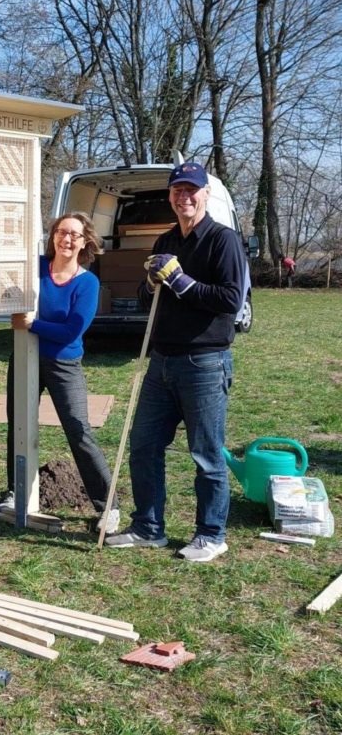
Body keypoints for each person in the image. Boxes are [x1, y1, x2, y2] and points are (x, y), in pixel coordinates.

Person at [106, 161, 245, 562]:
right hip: (162, 360)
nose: (184, 197)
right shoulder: (166, 240)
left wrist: (182, 283)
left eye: (191, 190)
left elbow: (230, 300)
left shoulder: (224, 240)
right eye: (177, 190)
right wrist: (151, 283)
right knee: (144, 445)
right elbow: (150, 298)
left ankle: (211, 534)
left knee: (206, 452)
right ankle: (149, 528)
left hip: (204, 361)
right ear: (170, 196)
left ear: (205, 194)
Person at [0, 212, 120, 534]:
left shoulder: (87, 282)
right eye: (61, 232)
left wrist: (33, 325)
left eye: (74, 235)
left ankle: (108, 505)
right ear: (52, 236)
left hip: (64, 364)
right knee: (19, 424)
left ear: (85, 242)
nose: (66, 239)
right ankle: (16, 491)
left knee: (79, 430)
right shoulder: (36, 268)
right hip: (25, 357)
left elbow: (71, 331)